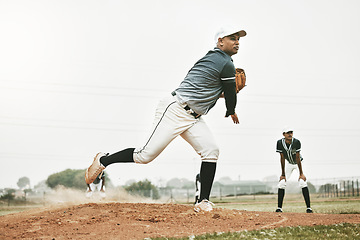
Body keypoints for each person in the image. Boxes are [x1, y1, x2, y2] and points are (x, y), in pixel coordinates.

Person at [85, 25, 247, 212]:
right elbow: (229, 94)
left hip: (193, 117)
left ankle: (203, 202)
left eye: (238, 39)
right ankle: (104, 160)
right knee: (144, 156)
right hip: (175, 110)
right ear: (220, 41)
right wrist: (231, 109)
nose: (237, 42)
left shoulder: (213, 59)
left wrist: (223, 93)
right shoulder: (225, 63)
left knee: (211, 150)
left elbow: (208, 90)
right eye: (232, 38)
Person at [275, 127, 313, 213]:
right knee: (281, 183)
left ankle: (309, 208)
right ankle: (279, 208)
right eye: (287, 132)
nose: (289, 134)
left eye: (291, 132)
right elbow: (282, 158)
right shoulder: (280, 143)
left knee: (302, 182)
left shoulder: (296, 142)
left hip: (298, 164)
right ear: (283, 134)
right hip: (289, 164)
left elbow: (297, 157)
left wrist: (301, 173)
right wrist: (283, 174)